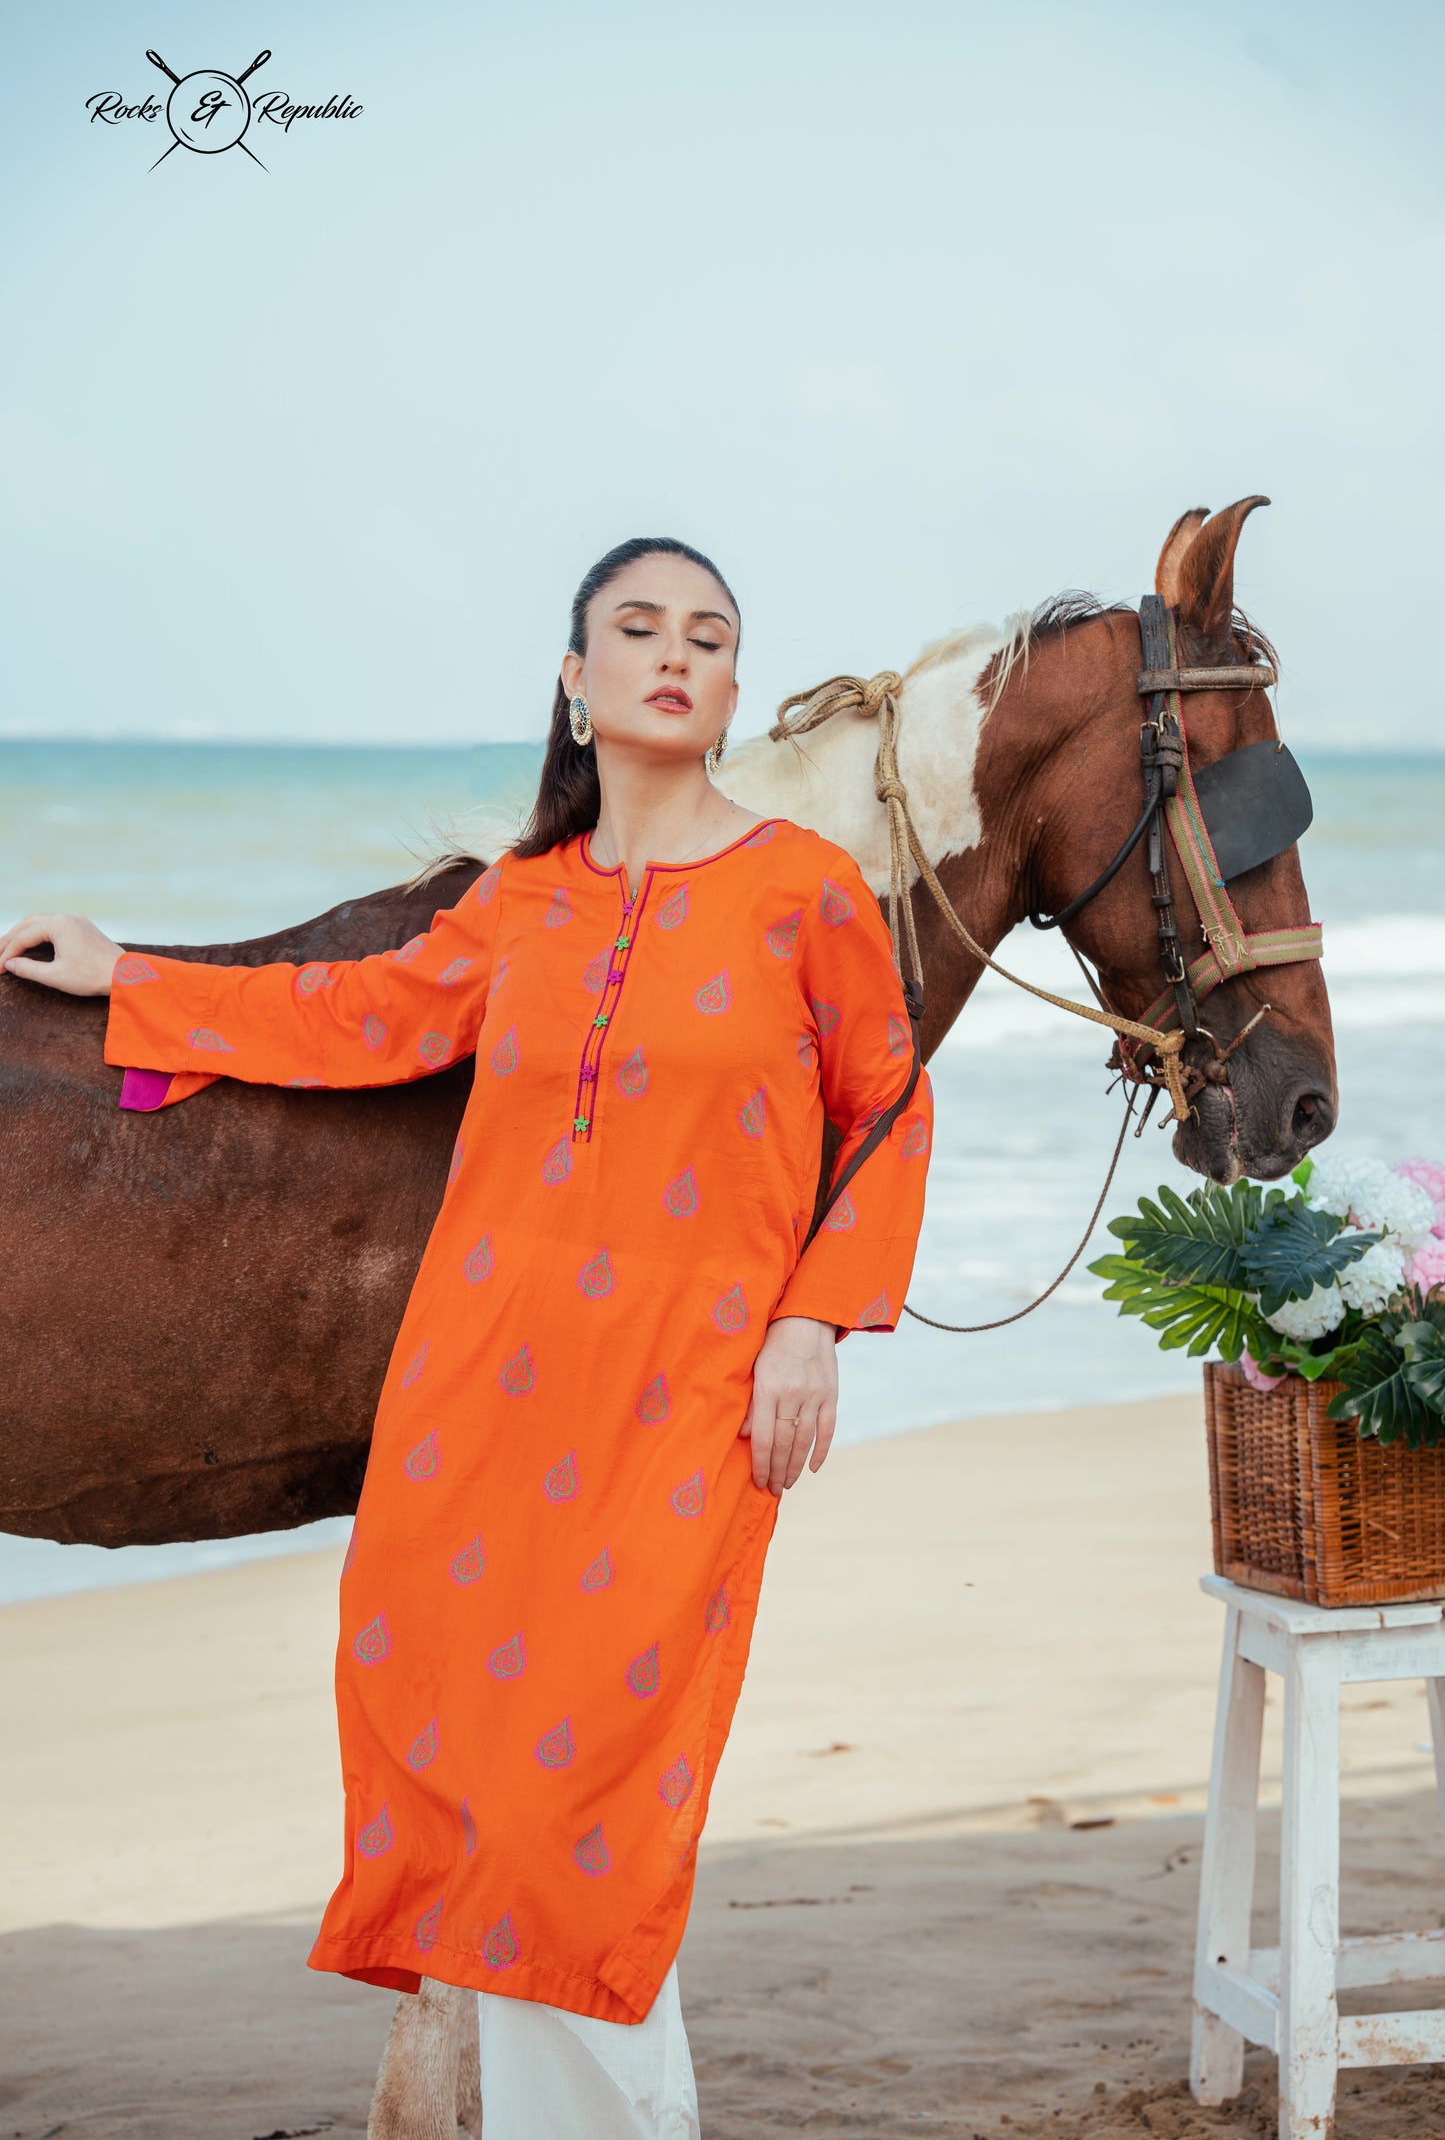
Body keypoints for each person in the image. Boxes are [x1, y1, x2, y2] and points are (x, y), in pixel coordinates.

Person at [1, 535, 932, 2138]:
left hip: (683, 1401)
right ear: (574, 682)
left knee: (602, 1787)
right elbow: (348, 1019)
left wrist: (814, 1322)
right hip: (478, 1399)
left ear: (724, 692)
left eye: (708, 638)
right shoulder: (522, 906)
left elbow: (886, 1114)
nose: (675, 655)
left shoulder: (801, 892)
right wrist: (128, 976)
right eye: (636, 628)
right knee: (477, 1761)